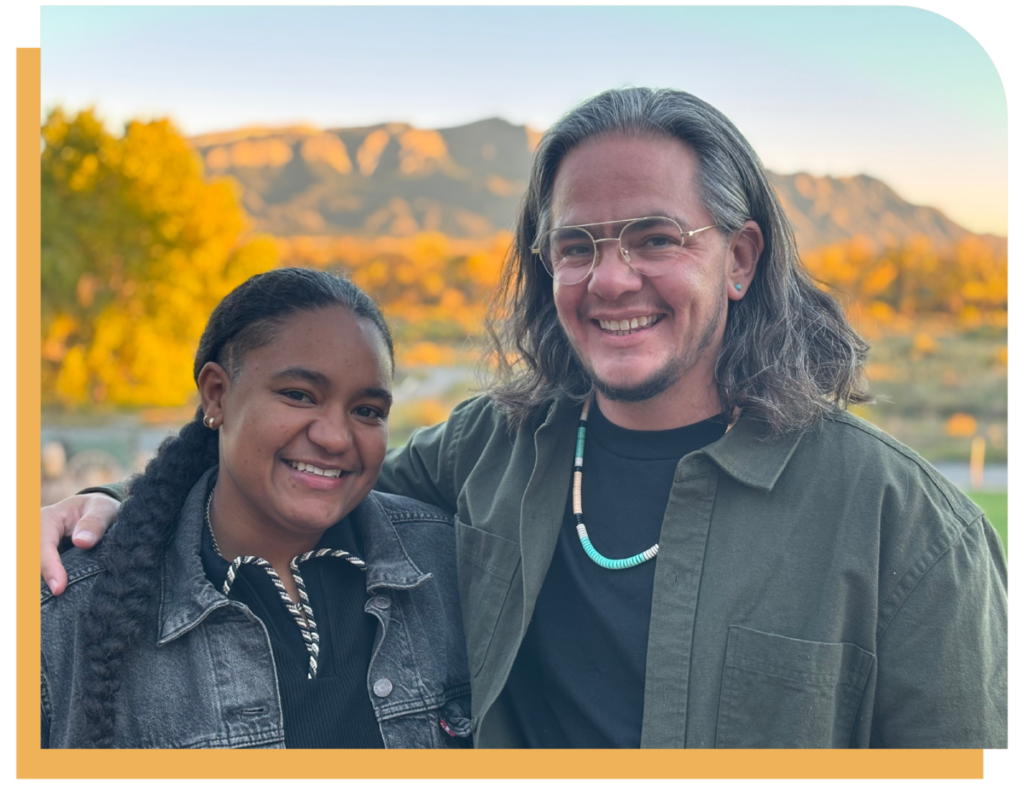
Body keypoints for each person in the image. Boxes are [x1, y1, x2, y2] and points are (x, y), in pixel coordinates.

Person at [42, 88, 1007, 748]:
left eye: (656, 239)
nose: (611, 277)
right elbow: (304, 479)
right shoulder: (492, 449)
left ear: (742, 257)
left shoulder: (906, 528)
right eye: (576, 246)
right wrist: (109, 502)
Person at [41, 268, 471, 748]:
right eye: (298, 395)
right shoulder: (64, 611)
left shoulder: (450, 569)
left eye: (367, 410)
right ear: (217, 394)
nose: (335, 436)